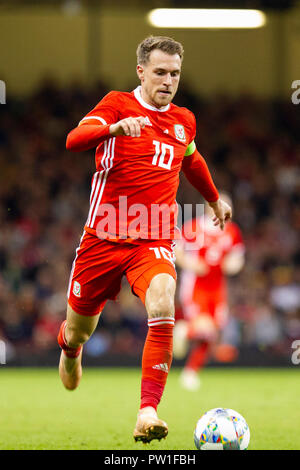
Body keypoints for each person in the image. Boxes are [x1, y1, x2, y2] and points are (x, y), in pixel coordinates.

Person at [57, 35, 232, 443]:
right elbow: (72, 140)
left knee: (164, 292)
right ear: (141, 71)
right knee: (80, 329)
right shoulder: (117, 104)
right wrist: (113, 128)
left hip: (151, 238)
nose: (168, 80)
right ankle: (69, 348)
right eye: (160, 72)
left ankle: (147, 411)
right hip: (101, 238)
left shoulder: (183, 120)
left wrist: (212, 199)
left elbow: (191, 159)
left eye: (174, 74)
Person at [174, 193, 244, 391]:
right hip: (195, 287)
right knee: (204, 328)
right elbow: (176, 251)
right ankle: (185, 333)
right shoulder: (194, 227)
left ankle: (190, 371)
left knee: (212, 332)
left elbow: (237, 257)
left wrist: (233, 265)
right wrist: (191, 264)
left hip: (217, 288)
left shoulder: (231, 231)